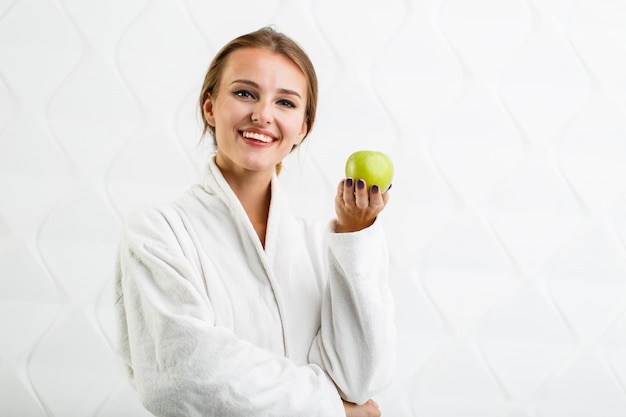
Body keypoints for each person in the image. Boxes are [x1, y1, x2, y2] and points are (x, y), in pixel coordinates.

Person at [114, 26, 395, 417]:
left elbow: (359, 379)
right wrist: (331, 409)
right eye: (244, 93)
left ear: (303, 128)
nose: (262, 115)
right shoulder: (157, 234)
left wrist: (354, 234)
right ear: (210, 107)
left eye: (285, 102)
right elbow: (183, 374)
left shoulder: (321, 246)